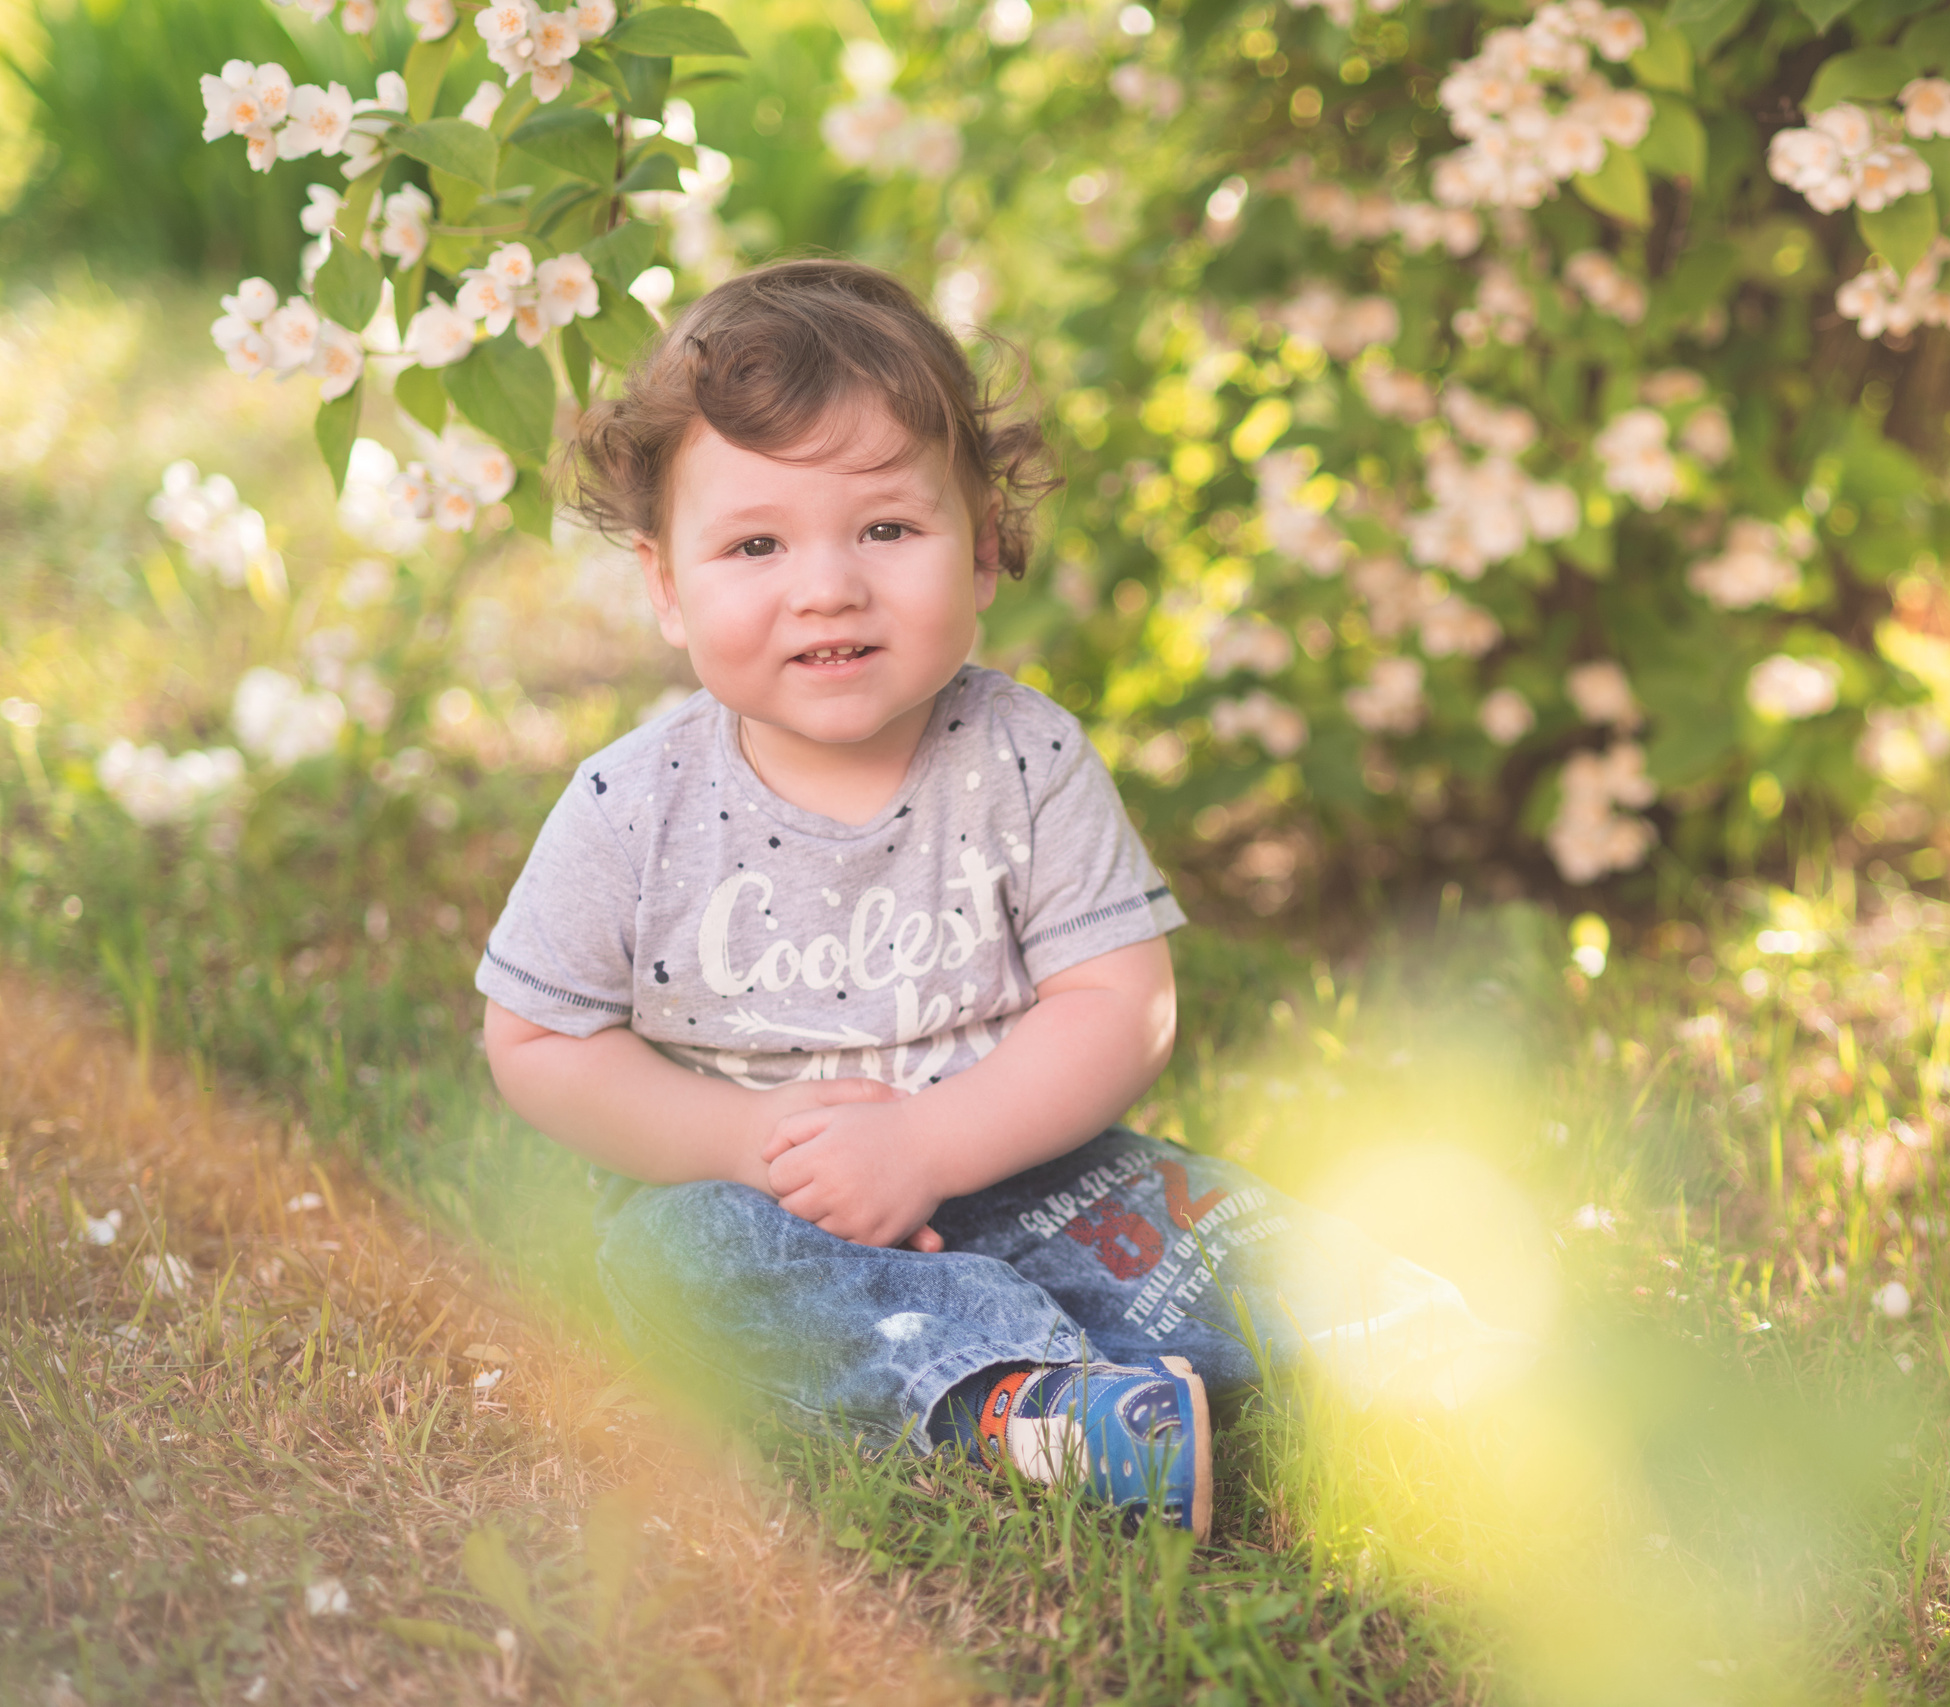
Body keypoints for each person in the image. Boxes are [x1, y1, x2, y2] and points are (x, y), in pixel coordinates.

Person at [477, 259, 1500, 1537]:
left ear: (988, 547)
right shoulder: (635, 805)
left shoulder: (1023, 756)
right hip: (765, 1202)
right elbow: (537, 1039)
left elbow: (1116, 1005)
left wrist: (934, 1147)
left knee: (1185, 1224)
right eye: (755, 544)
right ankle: (1036, 1407)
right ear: (667, 586)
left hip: (1027, 1156)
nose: (827, 585)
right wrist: (742, 1148)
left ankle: (1403, 1343)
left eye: (888, 530)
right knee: (674, 1268)